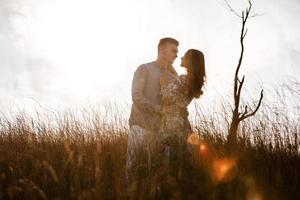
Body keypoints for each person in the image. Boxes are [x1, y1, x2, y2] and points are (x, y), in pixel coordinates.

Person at [126, 37, 179, 183]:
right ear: (161, 50)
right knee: (133, 173)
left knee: (155, 178)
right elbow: (136, 95)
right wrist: (158, 109)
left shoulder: (170, 76)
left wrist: (173, 73)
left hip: (160, 134)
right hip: (139, 127)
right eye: (173, 50)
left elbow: (179, 94)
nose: (176, 54)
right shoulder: (144, 69)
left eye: (177, 52)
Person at [158, 48, 206, 177]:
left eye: (184, 56)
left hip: (173, 123)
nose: (180, 58)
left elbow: (167, 97)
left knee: (170, 160)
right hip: (181, 123)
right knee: (179, 160)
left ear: (190, 61)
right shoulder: (190, 80)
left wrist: (162, 83)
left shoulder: (184, 79)